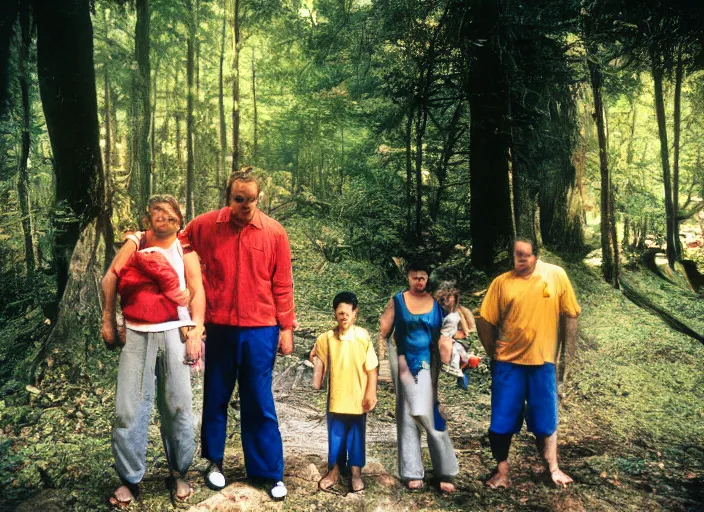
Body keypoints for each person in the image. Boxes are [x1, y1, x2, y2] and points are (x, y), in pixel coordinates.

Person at [182, 167, 295, 501]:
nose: (245, 205)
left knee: (259, 399)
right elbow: (177, 242)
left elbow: (283, 283)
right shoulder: (206, 225)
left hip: (261, 328)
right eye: (239, 199)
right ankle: (214, 462)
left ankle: (268, 472)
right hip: (218, 327)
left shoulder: (274, 233)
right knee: (216, 395)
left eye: (251, 199)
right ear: (229, 197)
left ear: (260, 198)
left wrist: (286, 327)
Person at [101, 195, 205, 507]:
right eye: (157, 212)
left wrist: (197, 331)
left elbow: (197, 290)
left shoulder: (184, 247)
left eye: (170, 214)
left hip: (175, 331)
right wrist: (109, 319)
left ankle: (179, 471)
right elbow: (111, 278)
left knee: (178, 405)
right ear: (148, 217)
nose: (163, 218)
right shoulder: (135, 241)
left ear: (179, 219)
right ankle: (130, 480)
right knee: (129, 408)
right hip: (136, 333)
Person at [476, 237, 580, 489]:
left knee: (546, 420)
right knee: (501, 422)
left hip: (542, 362)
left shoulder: (555, 276)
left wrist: (567, 357)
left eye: (526, 255)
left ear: (536, 255)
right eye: (517, 255)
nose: (521, 259)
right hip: (508, 363)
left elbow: (570, 315)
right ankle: (502, 471)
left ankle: (553, 468)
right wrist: (493, 351)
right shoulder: (502, 283)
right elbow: (484, 319)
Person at [378, 261, 459, 492]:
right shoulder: (398, 301)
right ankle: (412, 471)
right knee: (406, 414)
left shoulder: (437, 303)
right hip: (404, 362)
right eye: (415, 277)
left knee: (431, 411)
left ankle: (445, 470)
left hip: (429, 363)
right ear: (408, 278)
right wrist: (385, 359)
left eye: (423, 277)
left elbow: (450, 330)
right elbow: (384, 330)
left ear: (427, 279)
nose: (419, 281)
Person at [312, 291, 378, 494]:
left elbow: (372, 368)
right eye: (340, 313)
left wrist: (371, 393)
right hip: (336, 398)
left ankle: (356, 474)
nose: (344, 317)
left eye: (347, 313)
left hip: (358, 398)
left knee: (356, 437)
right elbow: (317, 362)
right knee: (336, 437)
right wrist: (316, 368)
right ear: (335, 313)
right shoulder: (327, 338)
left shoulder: (362, 336)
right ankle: (334, 471)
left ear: (355, 313)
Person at [434, 284, 478, 379]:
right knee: (453, 354)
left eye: (449, 297)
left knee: (460, 351)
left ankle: (460, 368)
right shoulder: (437, 311)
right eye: (445, 297)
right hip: (441, 339)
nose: (447, 299)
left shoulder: (456, 313)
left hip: (450, 338)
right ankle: (451, 367)